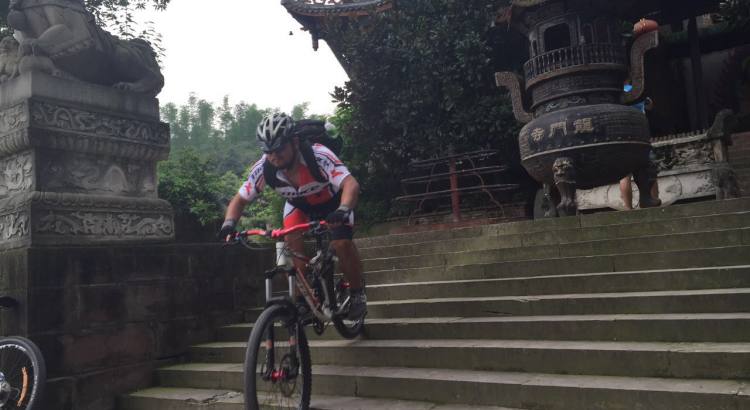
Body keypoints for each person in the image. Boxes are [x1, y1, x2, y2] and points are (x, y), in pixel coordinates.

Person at [219, 112, 366, 319]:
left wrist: (343, 210)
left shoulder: (318, 155)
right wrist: (228, 224)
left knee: (341, 243)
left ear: (294, 142)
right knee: (292, 244)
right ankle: (303, 299)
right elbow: (240, 199)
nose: (274, 156)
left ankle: (357, 293)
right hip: (298, 206)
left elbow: (350, 184)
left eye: (279, 149)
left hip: (333, 202)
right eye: (268, 151)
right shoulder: (264, 167)